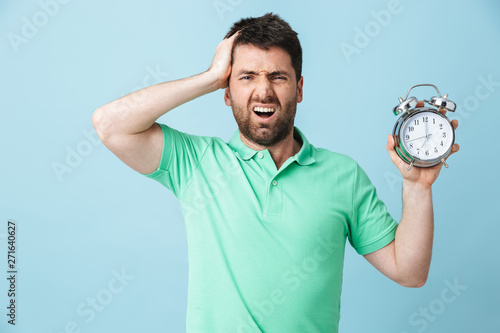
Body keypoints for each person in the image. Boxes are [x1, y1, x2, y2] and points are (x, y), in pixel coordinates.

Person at [92, 12, 459, 333]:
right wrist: (210, 76)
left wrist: (417, 187)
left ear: (299, 89)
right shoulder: (197, 163)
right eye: (247, 77)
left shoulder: (343, 176)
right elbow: (110, 124)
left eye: (278, 77)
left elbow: (409, 272)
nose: (263, 91)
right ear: (226, 92)